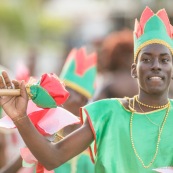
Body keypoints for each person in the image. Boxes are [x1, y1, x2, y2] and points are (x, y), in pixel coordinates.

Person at [1, 6, 173, 173]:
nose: (156, 66)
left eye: (165, 60)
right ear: (134, 69)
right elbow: (53, 157)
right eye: (147, 59)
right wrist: (20, 117)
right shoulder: (107, 113)